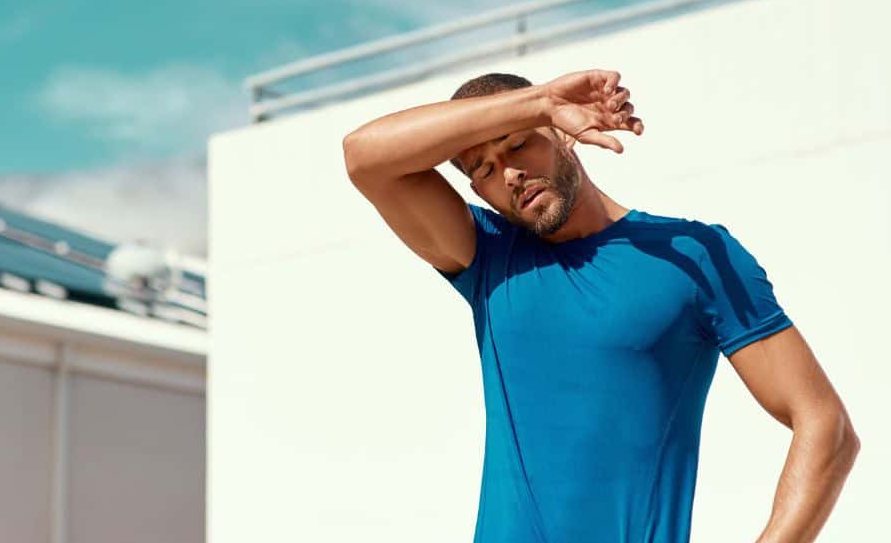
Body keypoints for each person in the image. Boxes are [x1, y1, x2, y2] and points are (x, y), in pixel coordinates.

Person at [342, 68, 859, 543]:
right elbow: (364, 155)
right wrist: (540, 101)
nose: (509, 175)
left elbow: (825, 425)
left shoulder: (693, 255)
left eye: (519, 145)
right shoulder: (485, 254)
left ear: (563, 135)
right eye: (482, 169)